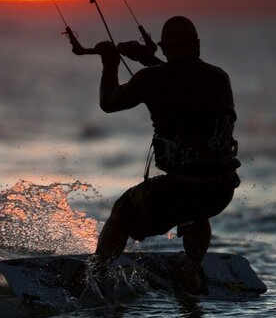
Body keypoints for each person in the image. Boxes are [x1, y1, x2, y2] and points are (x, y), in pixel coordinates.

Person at [91, 16, 240, 293]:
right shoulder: (220, 77)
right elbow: (185, 82)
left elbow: (108, 102)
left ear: (164, 47)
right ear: (197, 44)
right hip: (220, 188)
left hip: (181, 188)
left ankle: (94, 277)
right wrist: (148, 60)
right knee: (197, 209)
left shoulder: (153, 79)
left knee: (122, 210)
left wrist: (110, 63)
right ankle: (190, 267)